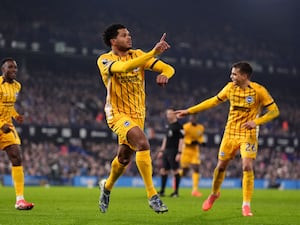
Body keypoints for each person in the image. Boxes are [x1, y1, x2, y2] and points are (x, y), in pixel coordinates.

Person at [176, 61, 279, 217]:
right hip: (230, 133)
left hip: (248, 134)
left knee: (246, 166)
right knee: (221, 167)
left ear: (244, 76)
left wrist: (256, 122)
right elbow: (212, 101)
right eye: (231, 74)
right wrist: (189, 111)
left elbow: (274, 111)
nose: (231, 76)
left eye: (234, 74)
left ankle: (246, 204)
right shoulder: (230, 88)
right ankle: (214, 193)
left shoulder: (258, 91)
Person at [96, 24, 175, 213]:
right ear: (113, 41)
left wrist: (165, 74)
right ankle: (152, 195)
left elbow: (168, 68)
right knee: (143, 143)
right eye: (124, 35)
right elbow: (124, 67)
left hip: (138, 114)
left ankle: (106, 188)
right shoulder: (105, 60)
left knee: (124, 158)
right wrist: (152, 53)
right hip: (116, 113)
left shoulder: (138, 54)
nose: (129, 38)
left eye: (130, 34)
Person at [0, 57, 34, 210]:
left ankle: (20, 200)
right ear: (3, 69)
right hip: (2, 125)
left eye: (15, 68)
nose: (14, 70)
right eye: (10, 67)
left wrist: (15, 115)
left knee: (17, 156)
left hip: (7, 127)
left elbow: (8, 105)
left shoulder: (17, 86)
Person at [157, 108, 183, 198]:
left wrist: (179, 152)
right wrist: (161, 150)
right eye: (167, 114)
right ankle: (162, 191)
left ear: (174, 114)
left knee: (175, 170)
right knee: (163, 170)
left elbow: (181, 140)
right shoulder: (168, 126)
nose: (168, 115)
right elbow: (165, 139)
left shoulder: (179, 127)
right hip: (166, 151)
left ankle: (176, 192)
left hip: (174, 150)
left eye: (170, 113)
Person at [180, 114, 206, 197]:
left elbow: (200, 137)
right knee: (184, 171)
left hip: (195, 151)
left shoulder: (201, 128)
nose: (193, 119)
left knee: (196, 168)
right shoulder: (185, 127)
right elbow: (183, 138)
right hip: (186, 150)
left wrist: (202, 142)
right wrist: (190, 142)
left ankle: (195, 190)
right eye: (191, 117)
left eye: (194, 117)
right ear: (189, 118)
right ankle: (176, 178)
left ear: (196, 118)